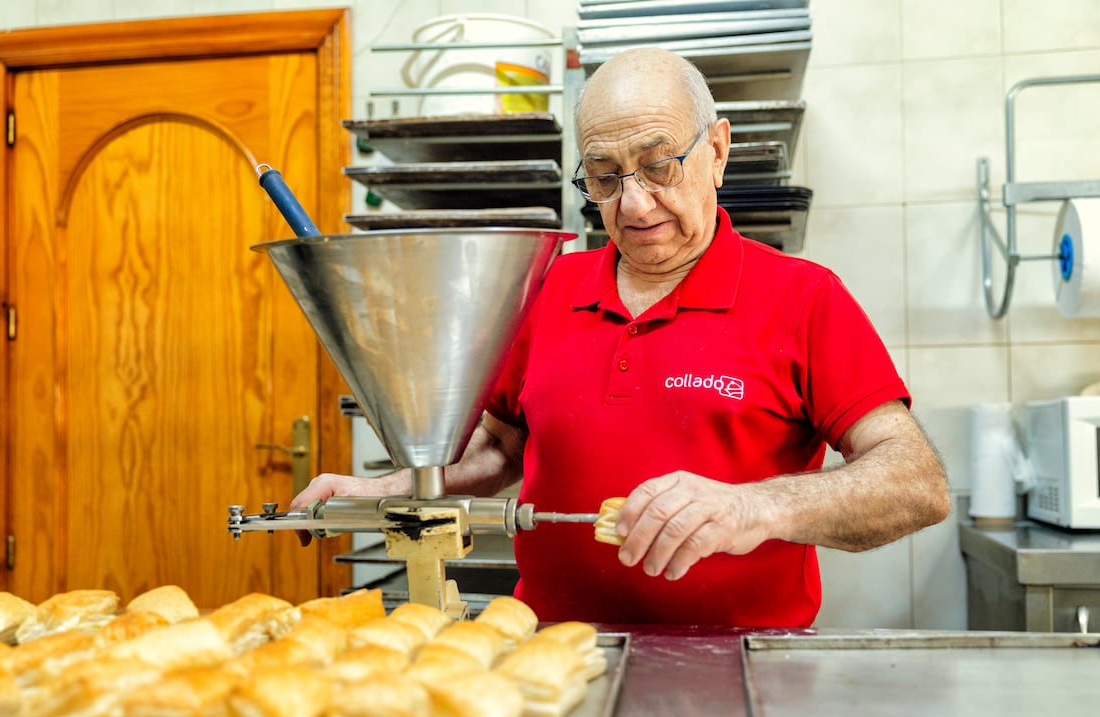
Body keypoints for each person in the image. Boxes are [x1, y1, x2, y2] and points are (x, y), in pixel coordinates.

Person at [294, 47, 949, 627]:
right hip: (559, 656)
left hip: (747, 670)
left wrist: (758, 509)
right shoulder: (545, 288)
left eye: (659, 164)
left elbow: (915, 483)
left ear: (716, 150)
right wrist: (384, 491)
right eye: (605, 176)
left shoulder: (803, 299)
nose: (633, 205)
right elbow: (498, 452)